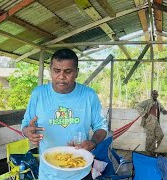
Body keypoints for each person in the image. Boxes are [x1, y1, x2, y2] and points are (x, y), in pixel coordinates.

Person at [21, 48, 108, 180]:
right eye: (57, 71)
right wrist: (28, 132)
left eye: (68, 71)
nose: (61, 76)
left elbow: (101, 127)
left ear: (76, 72)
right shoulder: (38, 94)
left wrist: (93, 142)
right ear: (50, 70)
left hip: (80, 171)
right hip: (49, 173)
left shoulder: (89, 95)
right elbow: (25, 125)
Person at [135, 90, 167, 156]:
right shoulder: (148, 101)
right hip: (149, 119)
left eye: (156, 94)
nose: (155, 95)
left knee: (160, 135)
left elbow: (161, 107)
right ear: (151, 95)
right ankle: (148, 152)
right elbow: (137, 106)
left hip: (156, 121)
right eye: (154, 94)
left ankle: (151, 149)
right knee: (150, 137)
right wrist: (143, 114)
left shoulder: (157, 102)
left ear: (158, 95)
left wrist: (164, 110)